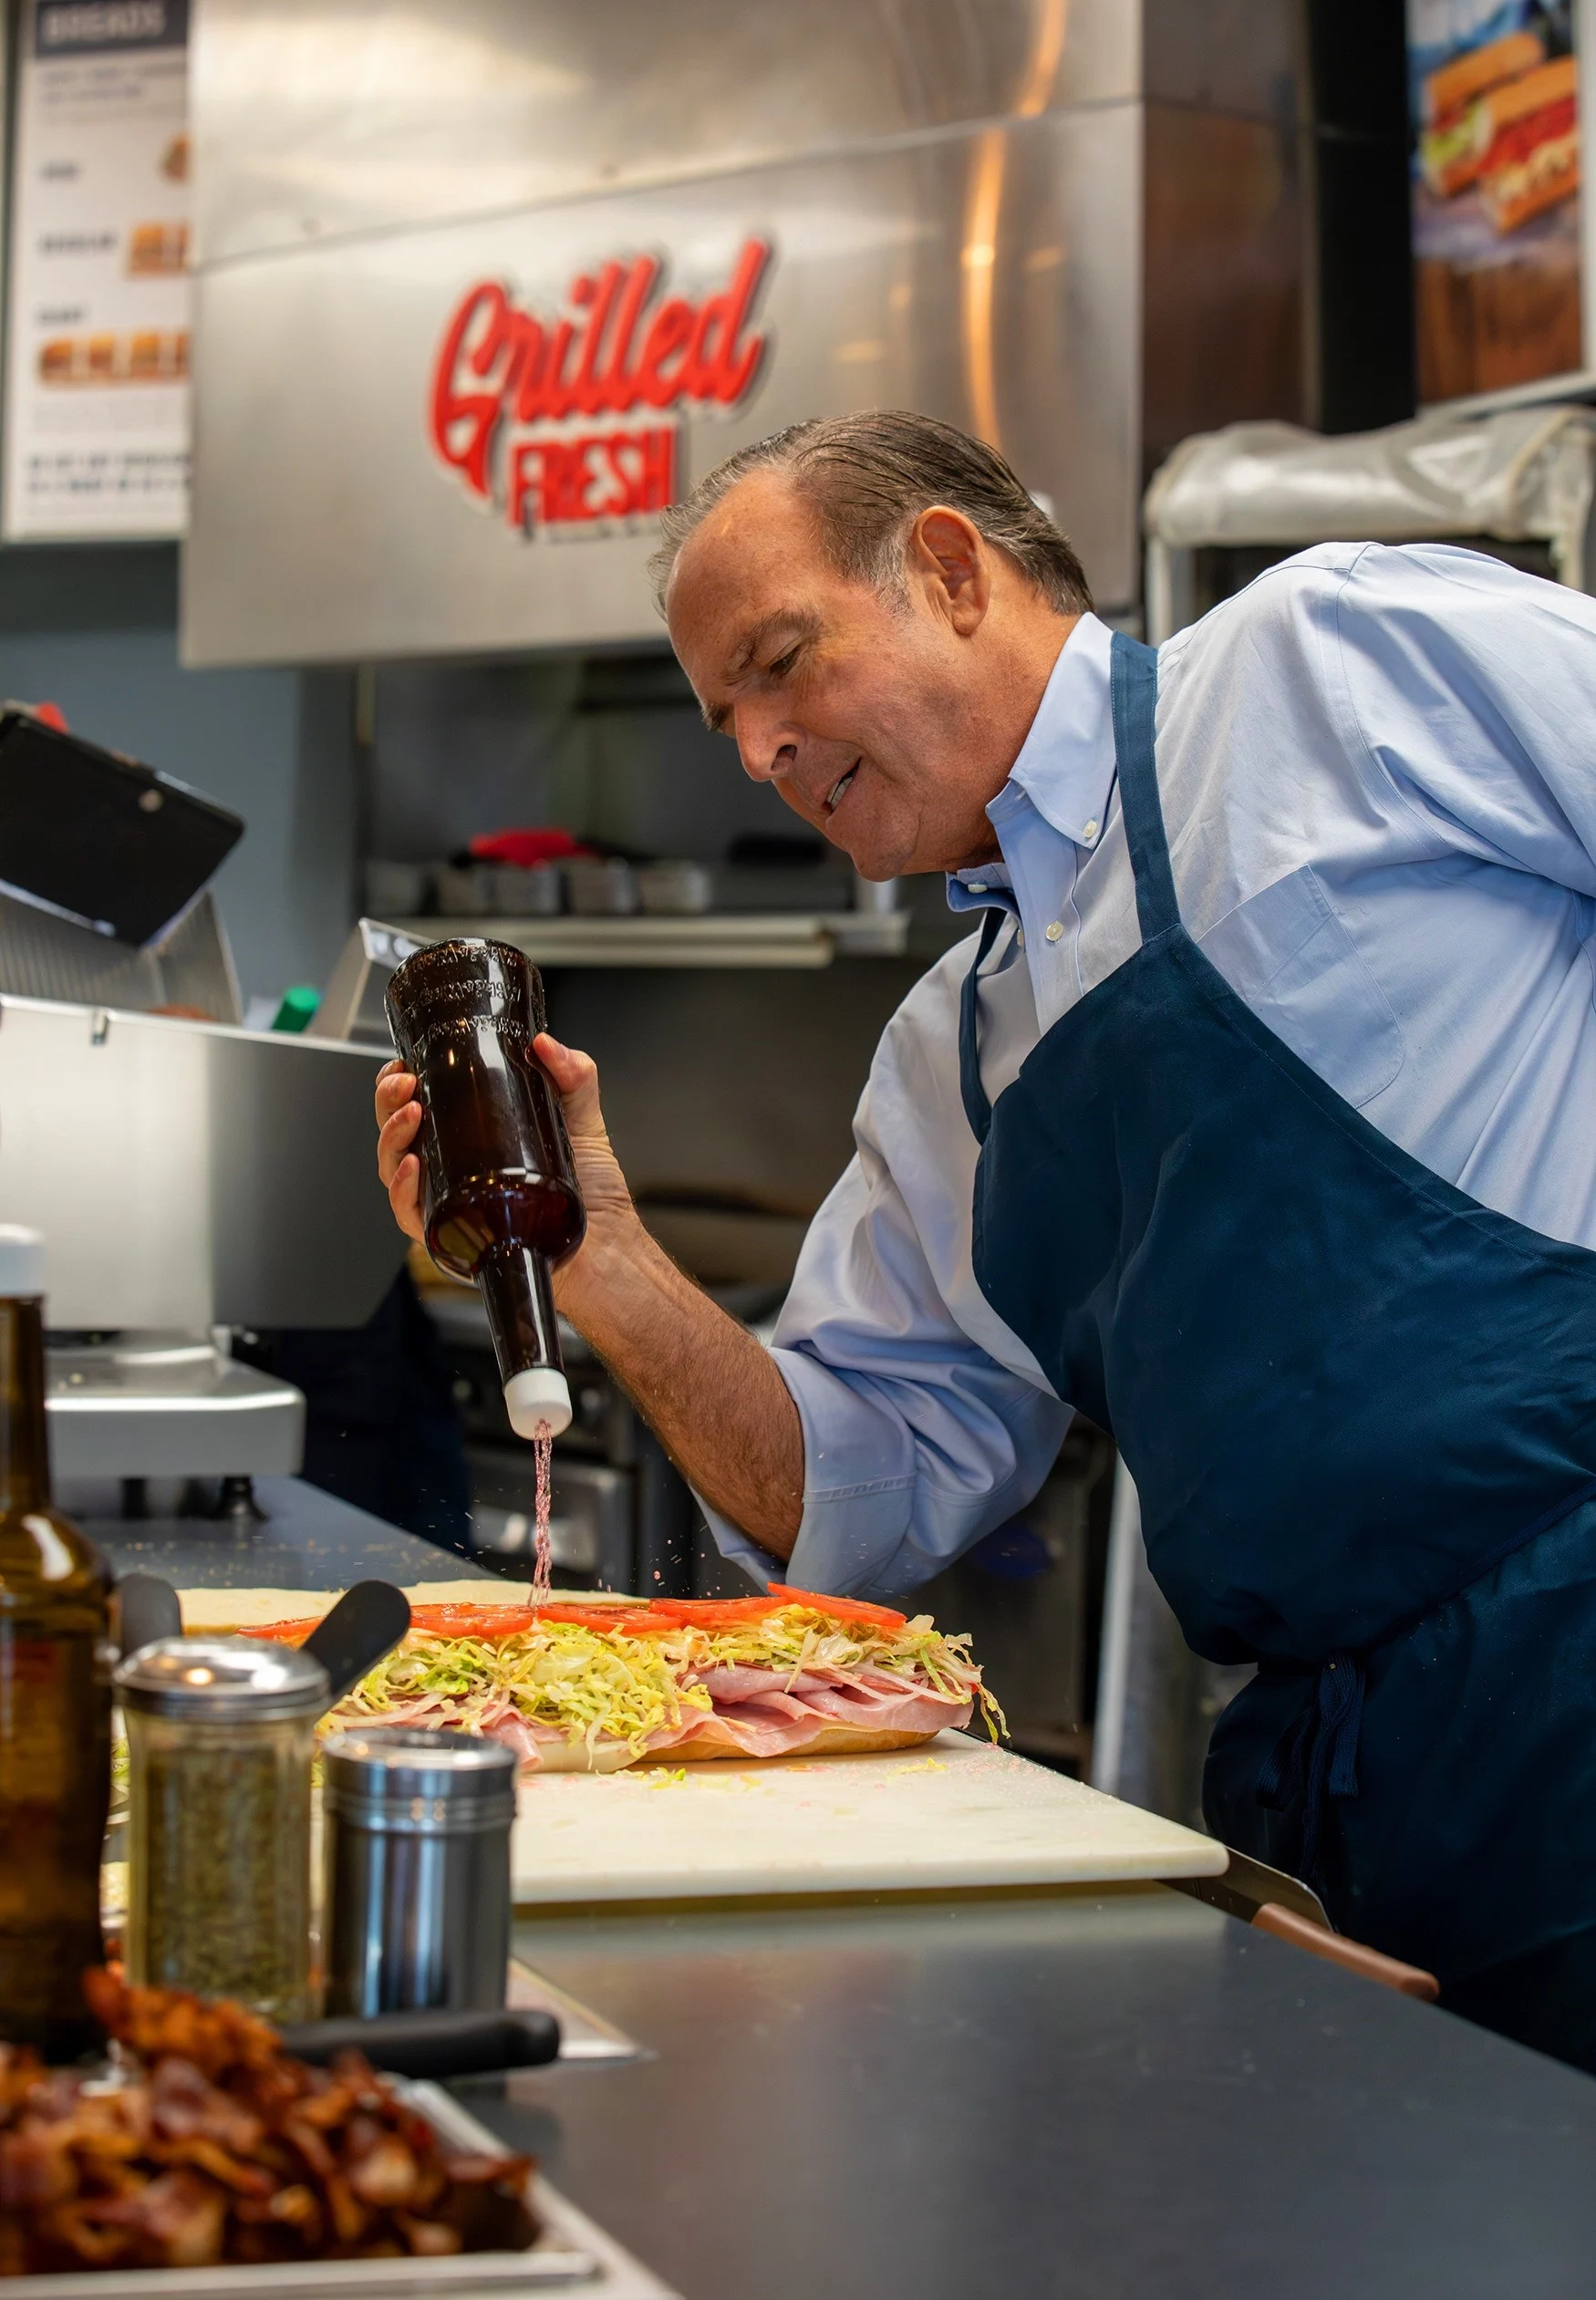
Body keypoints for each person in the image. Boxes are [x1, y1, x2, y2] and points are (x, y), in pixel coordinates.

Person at [377, 410, 1596, 2066]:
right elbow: (842, 1499)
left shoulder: (1330, 667)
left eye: (781, 662)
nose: (754, 750)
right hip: (1339, 1775)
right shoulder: (951, 1060)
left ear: (950, 569)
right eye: (726, 716)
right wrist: (598, 1253)